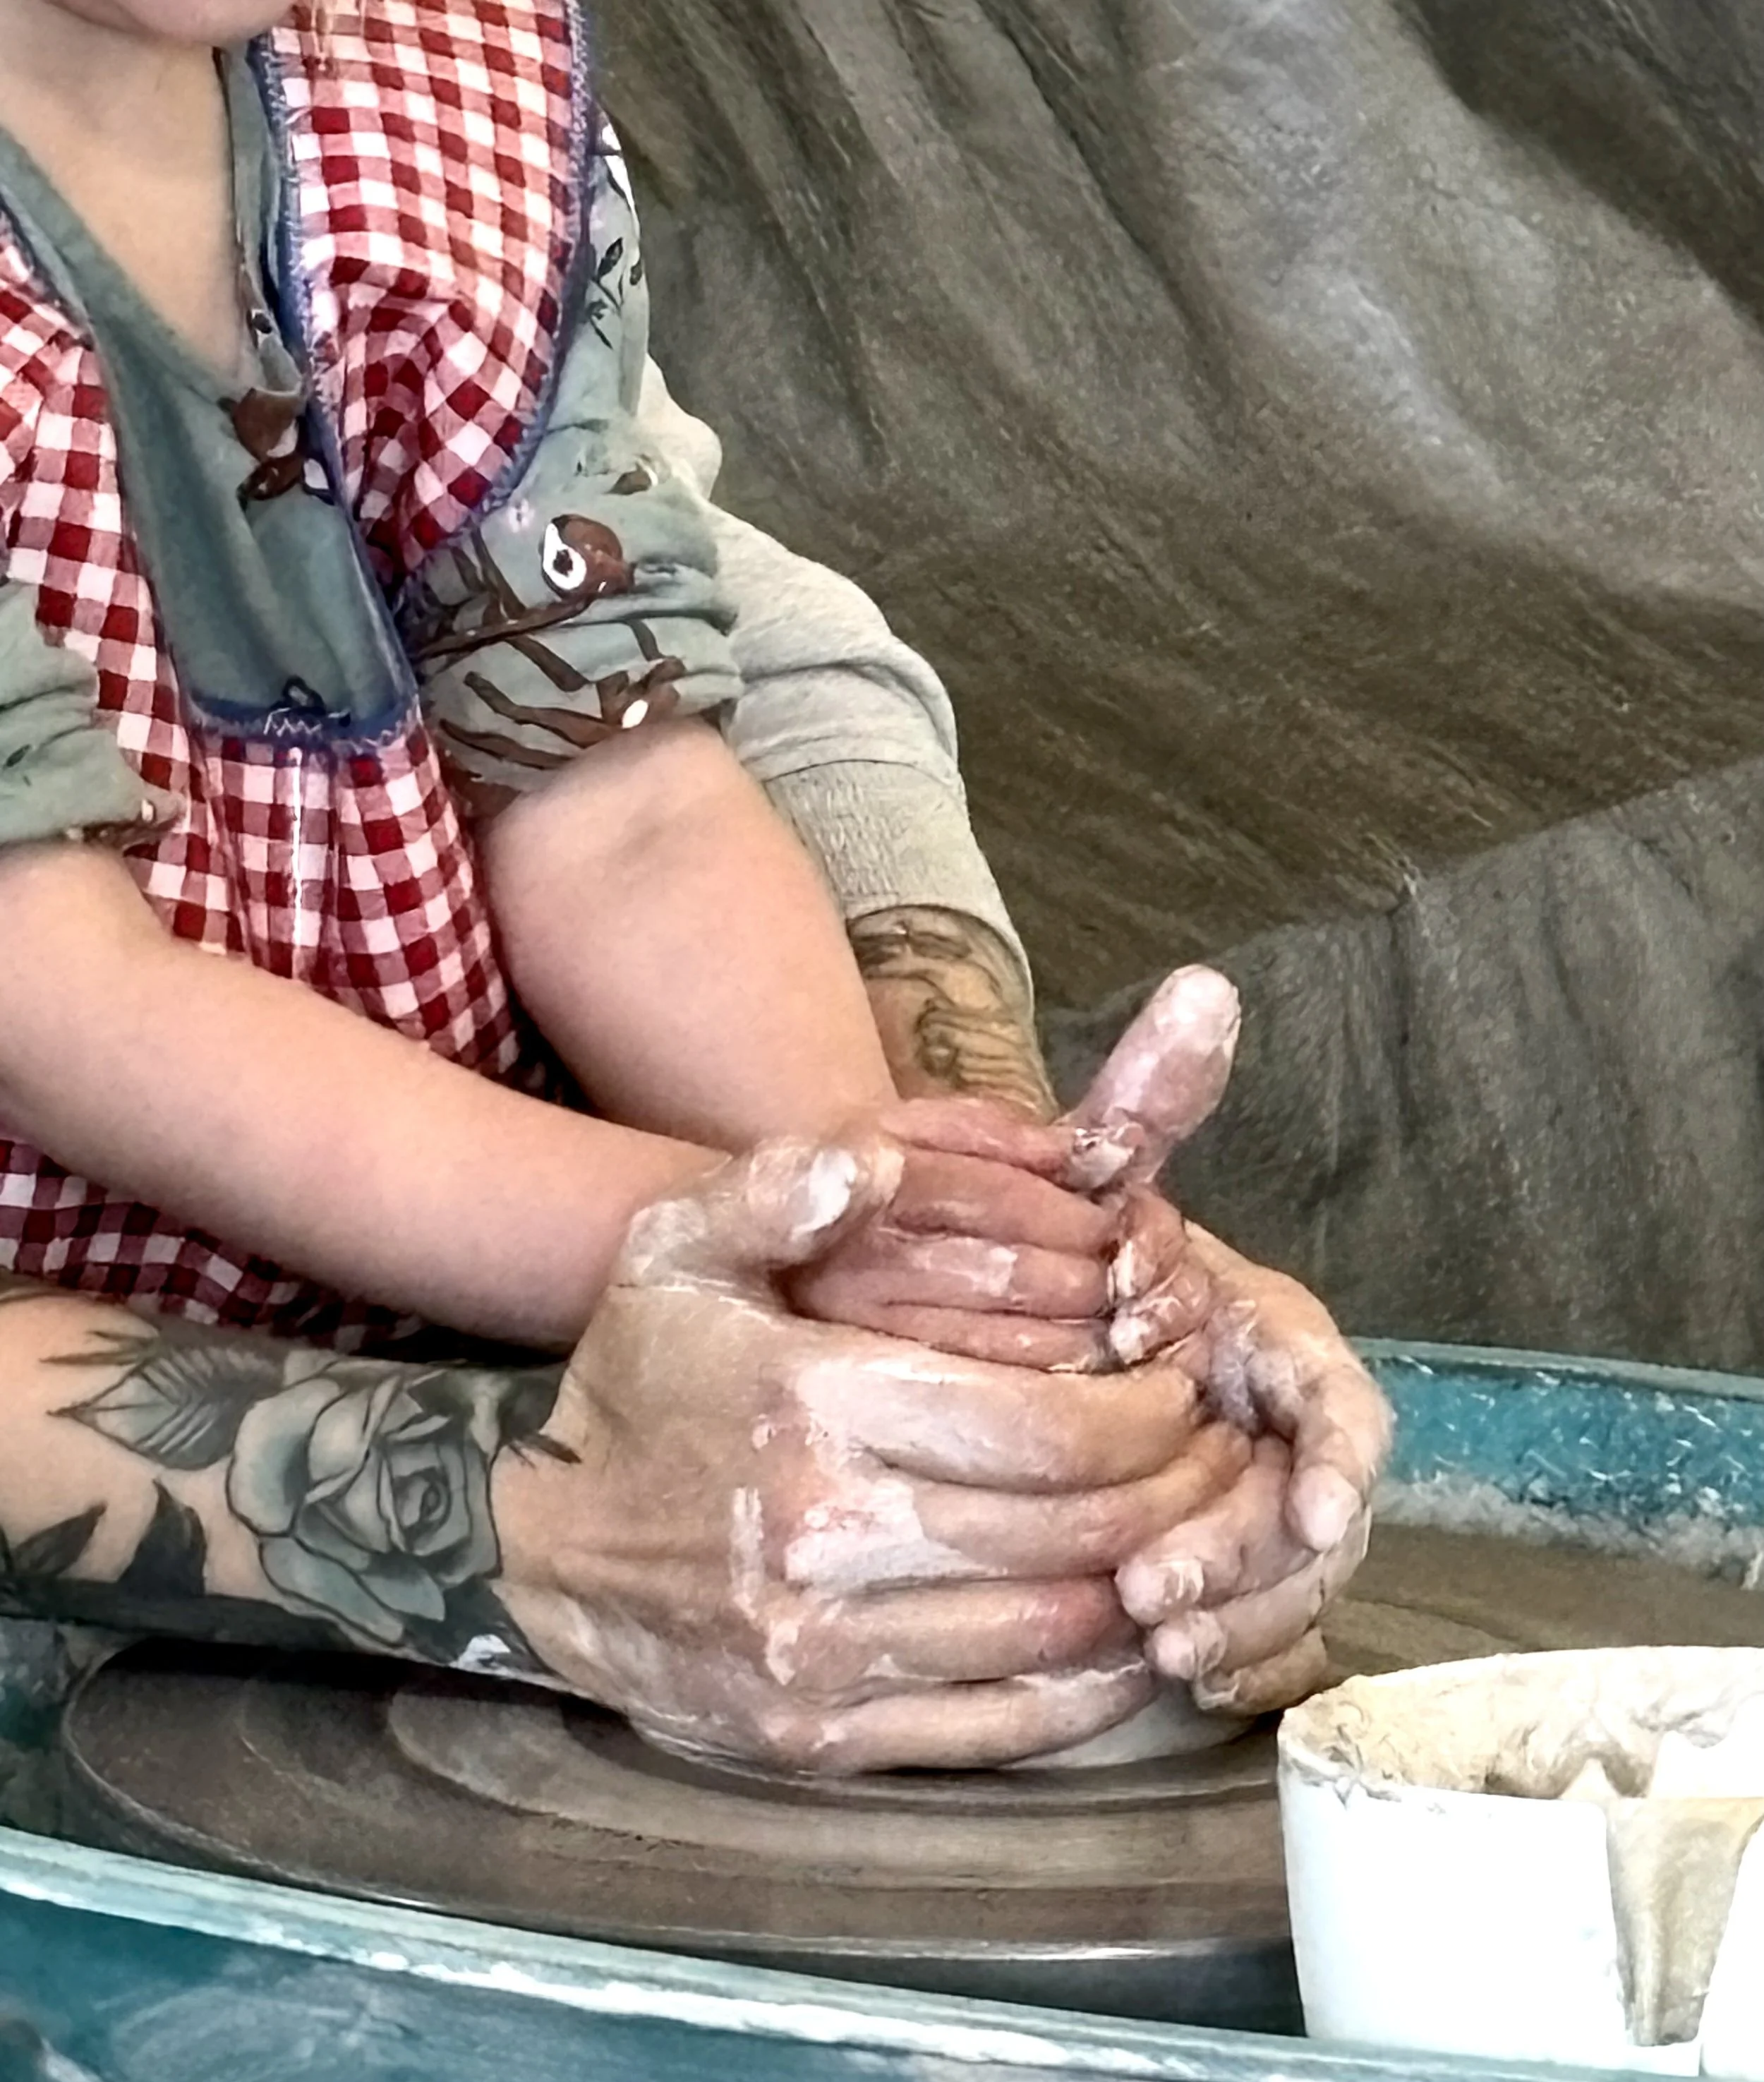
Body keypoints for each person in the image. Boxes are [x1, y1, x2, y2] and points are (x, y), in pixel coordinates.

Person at [0, 0, 1387, 1770]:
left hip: (429, 1261)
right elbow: (62, 1002)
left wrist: (907, 1234)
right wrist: (725, 1245)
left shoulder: (429, 86)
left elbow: (621, 795)